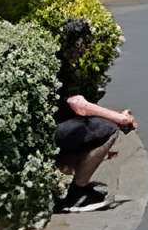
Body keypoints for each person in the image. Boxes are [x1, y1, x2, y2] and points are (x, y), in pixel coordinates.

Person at [53, 16, 136, 210]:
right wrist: (119, 118)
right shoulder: (62, 65)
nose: (86, 48)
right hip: (51, 131)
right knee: (107, 129)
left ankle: (79, 185)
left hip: (51, 127)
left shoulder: (59, 60)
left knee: (96, 129)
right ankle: (77, 195)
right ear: (77, 42)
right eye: (85, 43)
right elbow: (78, 104)